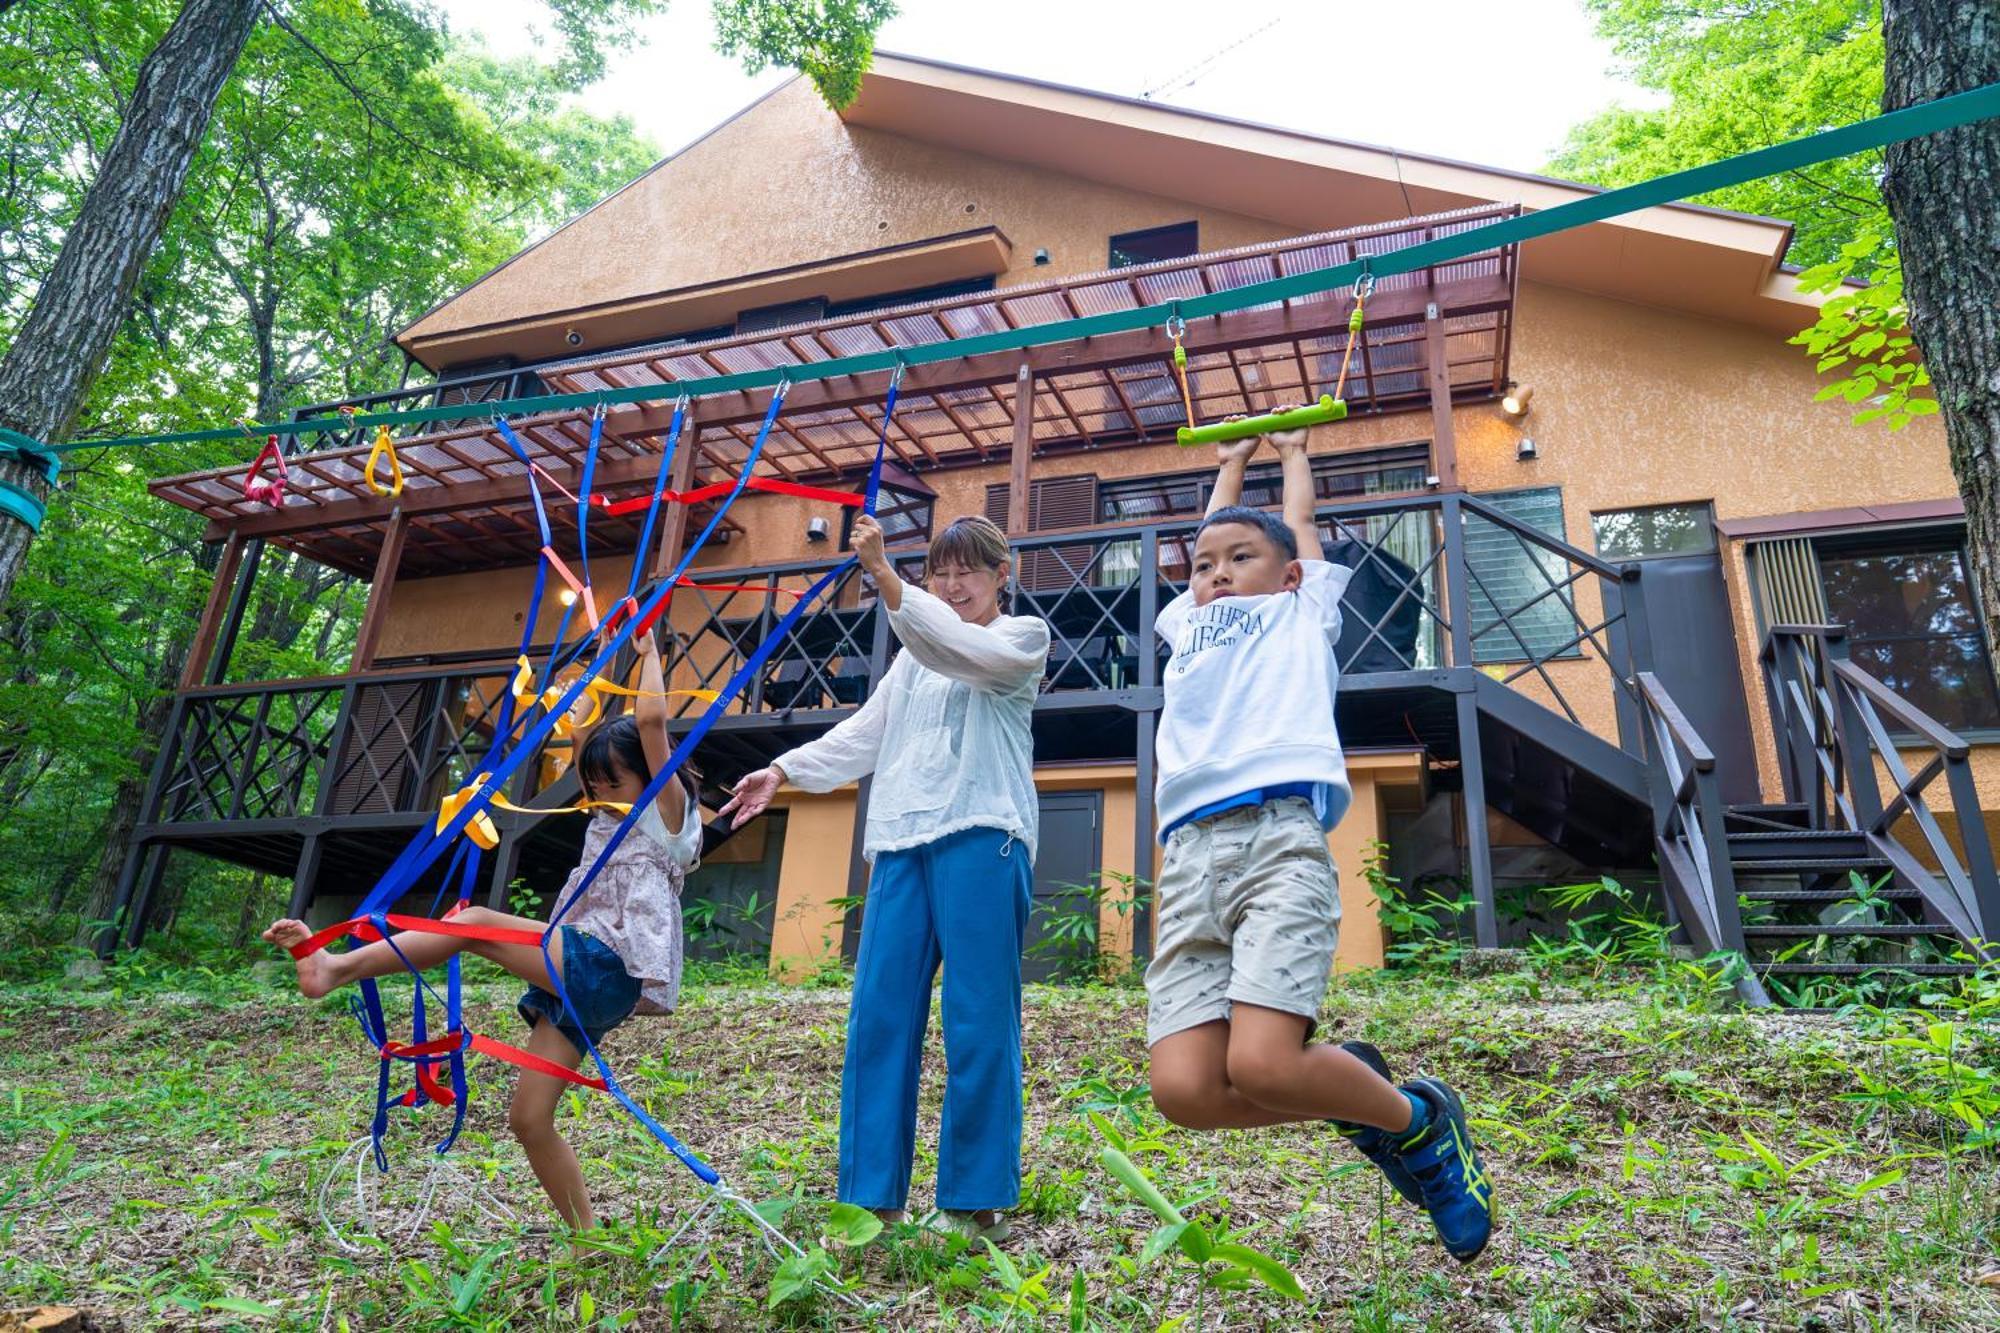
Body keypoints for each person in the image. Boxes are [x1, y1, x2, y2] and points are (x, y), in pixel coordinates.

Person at [1144, 415, 1496, 1262]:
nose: (1220, 573)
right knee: (1184, 1090)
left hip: (1276, 841)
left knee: (1263, 1065)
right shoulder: (1187, 625)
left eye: (1241, 560)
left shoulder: (1299, 615)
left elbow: (1294, 530)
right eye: (1206, 565)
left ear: (1292, 576)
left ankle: (1418, 1123)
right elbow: (1211, 536)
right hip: (1188, 856)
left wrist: (1296, 458)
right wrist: (1228, 466)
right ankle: (1358, 1093)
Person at [263, 628, 700, 1231]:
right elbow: (588, 752)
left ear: (652, 776)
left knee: (470, 924)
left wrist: (650, 656)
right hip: (584, 976)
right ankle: (588, 1238)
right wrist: (580, 716)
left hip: (607, 963)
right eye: (594, 785)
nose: (599, 794)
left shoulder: (667, 812)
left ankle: (333, 967)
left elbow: (652, 725)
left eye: (612, 784)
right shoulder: (609, 812)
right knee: (528, 1119)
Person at [721, 512, 1049, 1244]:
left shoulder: (1021, 639)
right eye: (942, 569)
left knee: (977, 1018)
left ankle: (974, 1202)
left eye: (970, 569)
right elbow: (864, 734)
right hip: (902, 840)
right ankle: (871, 1200)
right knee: (879, 1020)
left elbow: (960, 647)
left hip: (983, 834)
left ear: (1004, 575)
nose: (954, 582)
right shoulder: (910, 656)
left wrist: (888, 580)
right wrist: (784, 769)